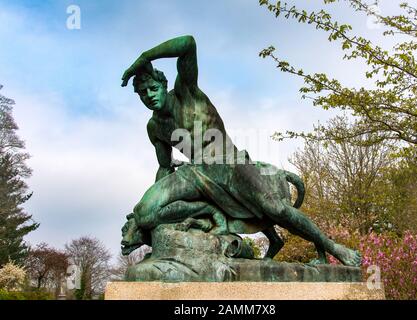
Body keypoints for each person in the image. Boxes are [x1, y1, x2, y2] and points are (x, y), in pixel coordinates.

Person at [121, 35, 360, 266]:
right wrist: (156, 210)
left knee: (276, 209)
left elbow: (188, 43)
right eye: (143, 94)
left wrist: (145, 57)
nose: (149, 96)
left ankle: (334, 248)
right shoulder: (154, 127)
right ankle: (201, 215)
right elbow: (165, 167)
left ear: (163, 85)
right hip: (194, 175)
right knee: (144, 212)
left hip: (228, 163)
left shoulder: (187, 93)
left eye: (152, 88)